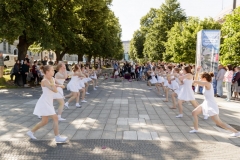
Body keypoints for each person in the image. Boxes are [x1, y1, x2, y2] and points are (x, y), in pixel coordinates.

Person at [190, 72, 240, 137]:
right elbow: (195, 83)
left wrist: (192, 79)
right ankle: (195, 129)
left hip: (211, 105)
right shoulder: (205, 84)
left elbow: (196, 82)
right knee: (194, 113)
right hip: (206, 103)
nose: (200, 79)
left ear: (204, 78)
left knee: (219, 123)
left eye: (200, 77)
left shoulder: (207, 84)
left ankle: (236, 132)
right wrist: (197, 72)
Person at [26, 65, 68, 142]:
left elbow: (62, 86)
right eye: (52, 70)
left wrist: (57, 84)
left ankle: (31, 132)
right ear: (47, 72)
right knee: (55, 118)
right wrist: (55, 85)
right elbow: (54, 90)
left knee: (44, 121)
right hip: (44, 102)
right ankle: (57, 137)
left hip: (48, 102)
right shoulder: (44, 81)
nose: (53, 71)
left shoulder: (51, 79)